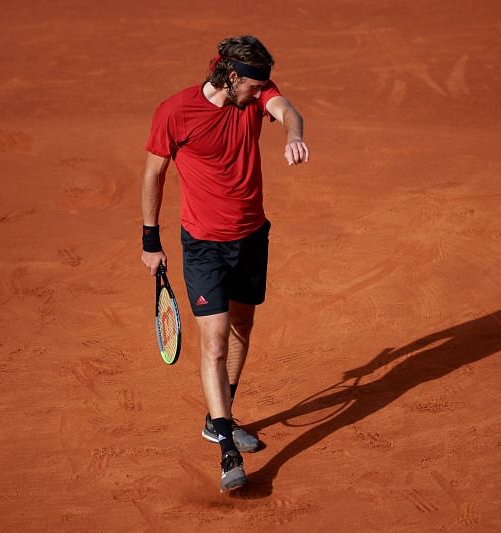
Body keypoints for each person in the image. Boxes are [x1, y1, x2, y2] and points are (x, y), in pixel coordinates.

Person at [140, 35, 309, 492]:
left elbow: (288, 110)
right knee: (214, 343)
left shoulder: (255, 95)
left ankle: (220, 418)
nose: (261, 94)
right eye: (254, 87)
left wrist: (294, 134)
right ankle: (227, 452)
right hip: (204, 245)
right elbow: (155, 173)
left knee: (241, 329)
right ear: (231, 77)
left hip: (252, 236)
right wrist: (150, 240)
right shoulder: (175, 113)